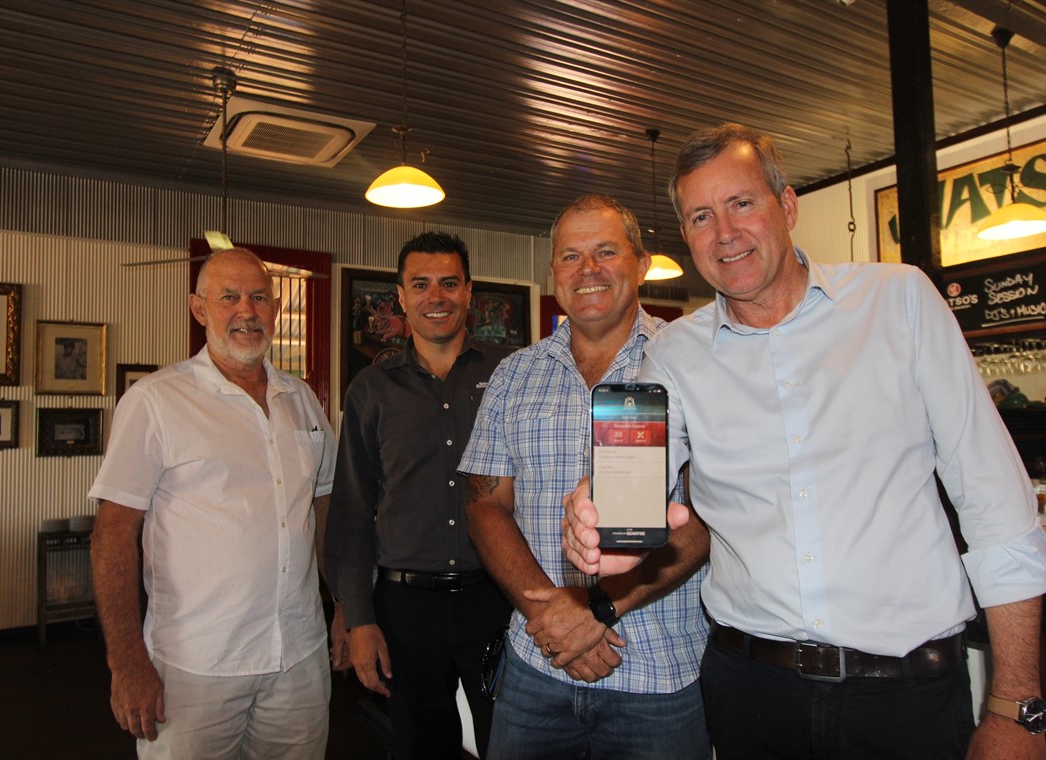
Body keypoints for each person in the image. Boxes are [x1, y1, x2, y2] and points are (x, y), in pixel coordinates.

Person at [562, 124, 1046, 760]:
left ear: (788, 206)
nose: (725, 233)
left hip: (908, 695)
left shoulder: (900, 301)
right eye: (700, 216)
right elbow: (635, 492)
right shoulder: (674, 353)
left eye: (742, 203)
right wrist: (594, 518)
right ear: (685, 237)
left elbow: (996, 503)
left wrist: (1015, 705)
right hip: (751, 694)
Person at [458, 195, 711, 759]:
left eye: (604, 251)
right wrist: (554, 612)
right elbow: (483, 504)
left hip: (658, 676)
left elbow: (711, 516)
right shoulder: (513, 375)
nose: (587, 270)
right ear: (553, 273)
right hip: (537, 663)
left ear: (641, 263)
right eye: (570, 256)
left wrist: (599, 610)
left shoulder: (693, 364)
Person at [88, 248, 337, 759]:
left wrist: (345, 608)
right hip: (194, 667)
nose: (246, 311)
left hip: (299, 657)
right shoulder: (157, 401)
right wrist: (126, 659)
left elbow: (324, 508)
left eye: (259, 297)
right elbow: (112, 534)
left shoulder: (303, 399)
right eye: (229, 297)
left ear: (275, 308)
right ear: (199, 309)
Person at [325, 232, 514, 759]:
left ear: (469, 291)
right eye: (421, 284)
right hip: (404, 610)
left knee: (512, 742)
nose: (437, 296)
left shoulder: (509, 374)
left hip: (496, 600)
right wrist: (359, 618)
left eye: (449, 283)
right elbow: (352, 510)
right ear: (402, 297)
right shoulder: (371, 389)